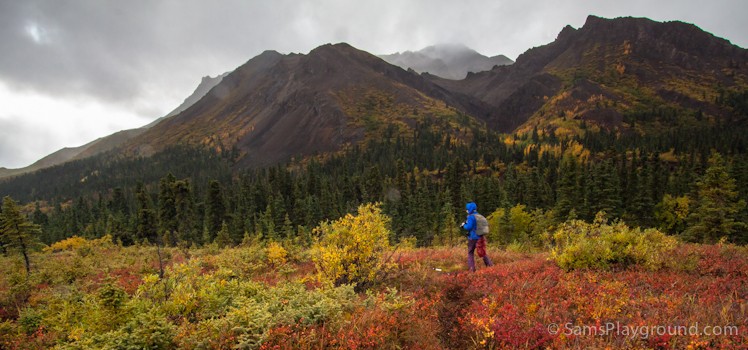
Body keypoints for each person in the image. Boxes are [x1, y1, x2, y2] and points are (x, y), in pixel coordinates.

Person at [460, 202, 493, 272]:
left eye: (467, 209)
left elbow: (469, 227)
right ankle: (490, 266)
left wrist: (463, 226)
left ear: (470, 209)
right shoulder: (479, 216)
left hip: (472, 237)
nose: (466, 211)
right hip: (480, 237)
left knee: (470, 253)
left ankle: (472, 270)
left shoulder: (471, 216)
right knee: (482, 252)